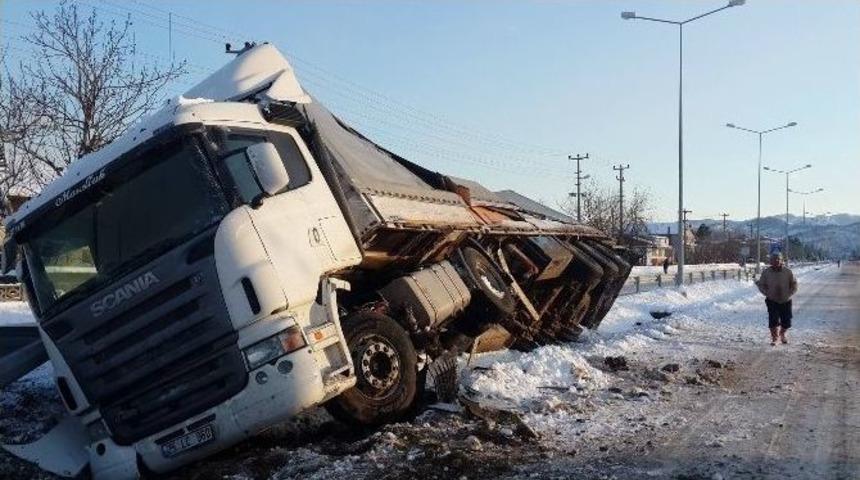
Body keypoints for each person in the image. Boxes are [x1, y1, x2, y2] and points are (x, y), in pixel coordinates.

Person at [755, 253, 798, 346]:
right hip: (772, 300)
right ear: (770, 261)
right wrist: (767, 293)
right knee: (773, 320)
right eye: (774, 259)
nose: (776, 261)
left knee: (786, 321)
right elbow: (761, 284)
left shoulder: (788, 271)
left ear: (782, 261)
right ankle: (775, 338)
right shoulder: (766, 272)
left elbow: (794, 284)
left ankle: (782, 334)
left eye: (778, 259)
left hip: (785, 300)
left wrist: (789, 294)